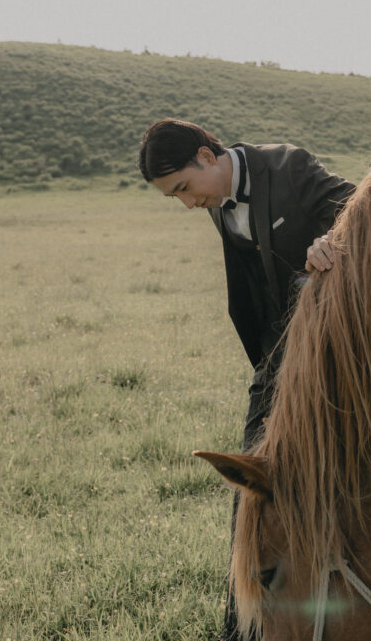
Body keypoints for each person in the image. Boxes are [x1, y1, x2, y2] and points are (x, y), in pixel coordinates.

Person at [138, 119, 355, 640]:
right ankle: (244, 631)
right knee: (251, 490)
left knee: (342, 486)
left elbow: (360, 200)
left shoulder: (289, 164)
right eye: (175, 198)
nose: (188, 204)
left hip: (336, 350)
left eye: (185, 189)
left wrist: (333, 238)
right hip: (274, 361)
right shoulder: (218, 203)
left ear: (207, 157)